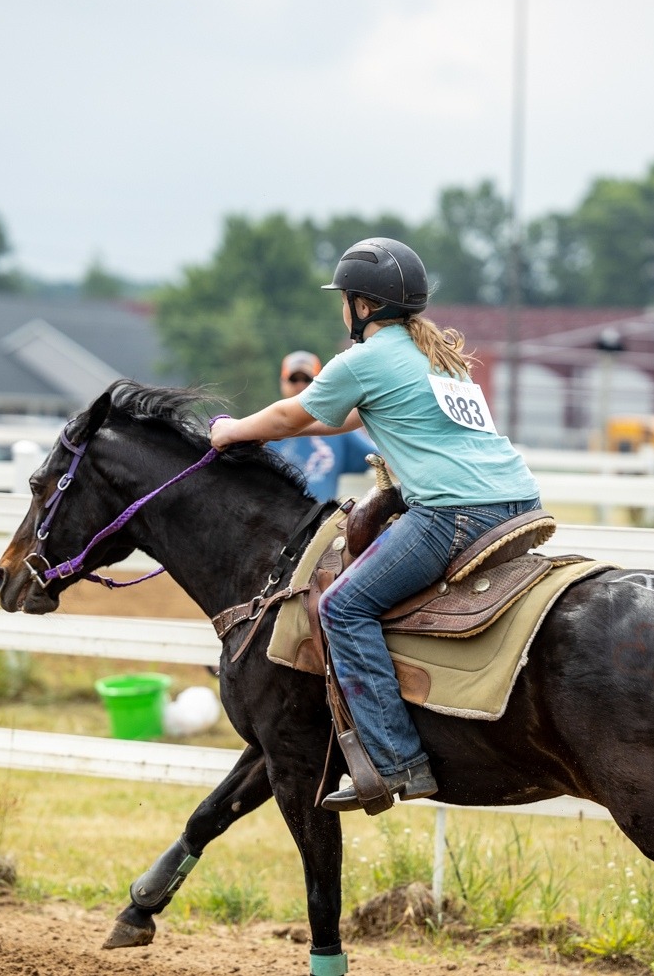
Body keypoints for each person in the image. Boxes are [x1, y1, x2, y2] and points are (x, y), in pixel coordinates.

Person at [211, 237, 542, 812]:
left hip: (453, 513)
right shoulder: (435, 355)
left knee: (342, 606)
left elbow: (290, 415)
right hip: (518, 502)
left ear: (363, 305)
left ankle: (396, 760)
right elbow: (336, 417)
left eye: (345, 299)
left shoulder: (365, 359)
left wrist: (231, 430)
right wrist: (267, 428)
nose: (343, 309)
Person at [268, 350, 378, 502]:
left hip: (321, 514)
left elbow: (381, 457)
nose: (300, 385)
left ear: (320, 384)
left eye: (307, 379)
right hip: (278, 512)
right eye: (294, 379)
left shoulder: (337, 425)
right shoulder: (268, 429)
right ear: (282, 382)